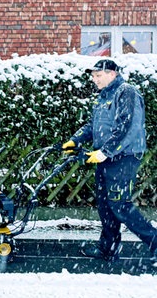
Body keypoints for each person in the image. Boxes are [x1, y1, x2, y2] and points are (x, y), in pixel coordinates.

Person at [62, 59, 157, 267]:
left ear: (112, 74)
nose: (94, 79)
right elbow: (94, 125)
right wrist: (75, 140)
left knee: (119, 205)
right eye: (93, 76)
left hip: (124, 157)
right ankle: (108, 248)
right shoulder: (104, 96)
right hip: (105, 157)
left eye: (98, 75)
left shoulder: (127, 92)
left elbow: (128, 125)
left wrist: (105, 151)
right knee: (105, 205)